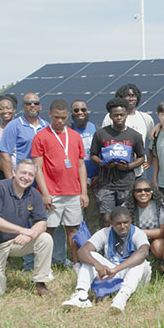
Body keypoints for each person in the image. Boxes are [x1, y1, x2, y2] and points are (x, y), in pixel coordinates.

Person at [0, 159, 53, 297]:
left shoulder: (34, 194)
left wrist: (31, 234)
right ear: (14, 172)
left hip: (15, 242)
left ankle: (40, 283)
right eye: (23, 172)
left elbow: (42, 222)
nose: (26, 177)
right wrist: (22, 230)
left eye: (30, 175)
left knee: (45, 239)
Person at [62, 206, 152, 314]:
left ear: (130, 221)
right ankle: (81, 295)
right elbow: (82, 251)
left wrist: (116, 270)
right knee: (91, 255)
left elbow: (143, 252)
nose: (123, 226)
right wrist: (97, 265)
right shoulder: (105, 232)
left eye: (126, 222)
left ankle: (121, 297)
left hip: (133, 274)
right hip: (112, 271)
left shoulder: (138, 233)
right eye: (118, 223)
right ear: (111, 223)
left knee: (141, 262)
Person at [31, 99, 89, 264]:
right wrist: (44, 193)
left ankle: (77, 263)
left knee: (73, 229)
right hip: (52, 193)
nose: (59, 121)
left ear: (67, 116)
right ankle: (44, 265)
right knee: (48, 229)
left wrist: (83, 192)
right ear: (49, 114)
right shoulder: (41, 136)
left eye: (63, 117)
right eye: (56, 117)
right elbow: (37, 168)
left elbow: (81, 165)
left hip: (73, 192)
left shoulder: (75, 136)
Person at [90, 97, 145, 227]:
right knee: (107, 220)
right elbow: (93, 155)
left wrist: (129, 166)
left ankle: (125, 246)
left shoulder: (135, 136)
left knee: (125, 219)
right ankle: (107, 246)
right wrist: (103, 163)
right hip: (105, 184)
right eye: (115, 115)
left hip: (126, 184)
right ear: (110, 116)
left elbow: (142, 157)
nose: (119, 118)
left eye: (121, 115)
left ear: (126, 115)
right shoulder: (101, 134)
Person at [102, 84, 154, 179]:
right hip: (116, 171)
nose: (131, 99)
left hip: (139, 171)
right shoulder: (110, 117)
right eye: (127, 95)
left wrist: (150, 160)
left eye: (133, 95)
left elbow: (152, 140)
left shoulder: (146, 118)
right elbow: (103, 140)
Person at [0, 92, 48, 178]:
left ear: (40, 106)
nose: (32, 105)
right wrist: (11, 183)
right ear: (23, 107)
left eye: (36, 103)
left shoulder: (47, 126)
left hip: (43, 180)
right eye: (28, 103)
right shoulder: (13, 126)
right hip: (22, 179)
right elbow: (5, 156)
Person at [69, 99, 101, 230]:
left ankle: (91, 248)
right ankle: (77, 249)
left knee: (92, 219)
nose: (80, 112)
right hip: (74, 184)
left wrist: (99, 175)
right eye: (76, 110)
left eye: (83, 109)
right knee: (75, 221)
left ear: (88, 111)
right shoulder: (67, 131)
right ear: (71, 113)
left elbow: (102, 154)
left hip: (93, 182)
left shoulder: (97, 129)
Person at [123, 178, 164, 261]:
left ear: (152, 191)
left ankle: (163, 263)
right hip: (135, 240)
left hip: (156, 239)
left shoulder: (160, 204)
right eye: (139, 191)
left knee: (158, 246)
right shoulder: (126, 206)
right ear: (133, 193)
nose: (143, 193)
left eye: (147, 190)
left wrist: (140, 232)